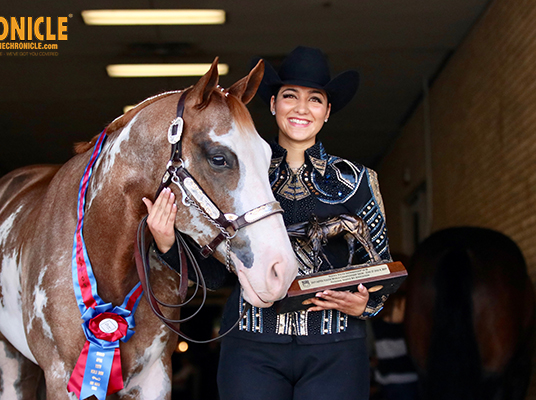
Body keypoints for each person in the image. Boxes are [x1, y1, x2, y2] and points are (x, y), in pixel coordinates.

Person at [143, 46, 392, 400]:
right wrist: (166, 241)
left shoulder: (358, 180)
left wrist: (365, 305)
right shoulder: (235, 170)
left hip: (335, 349)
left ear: (327, 111)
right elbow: (215, 275)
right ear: (273, 104)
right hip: (251, 347)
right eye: (290, 96)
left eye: (315, 100)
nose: (302, 108)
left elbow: (380, 266)